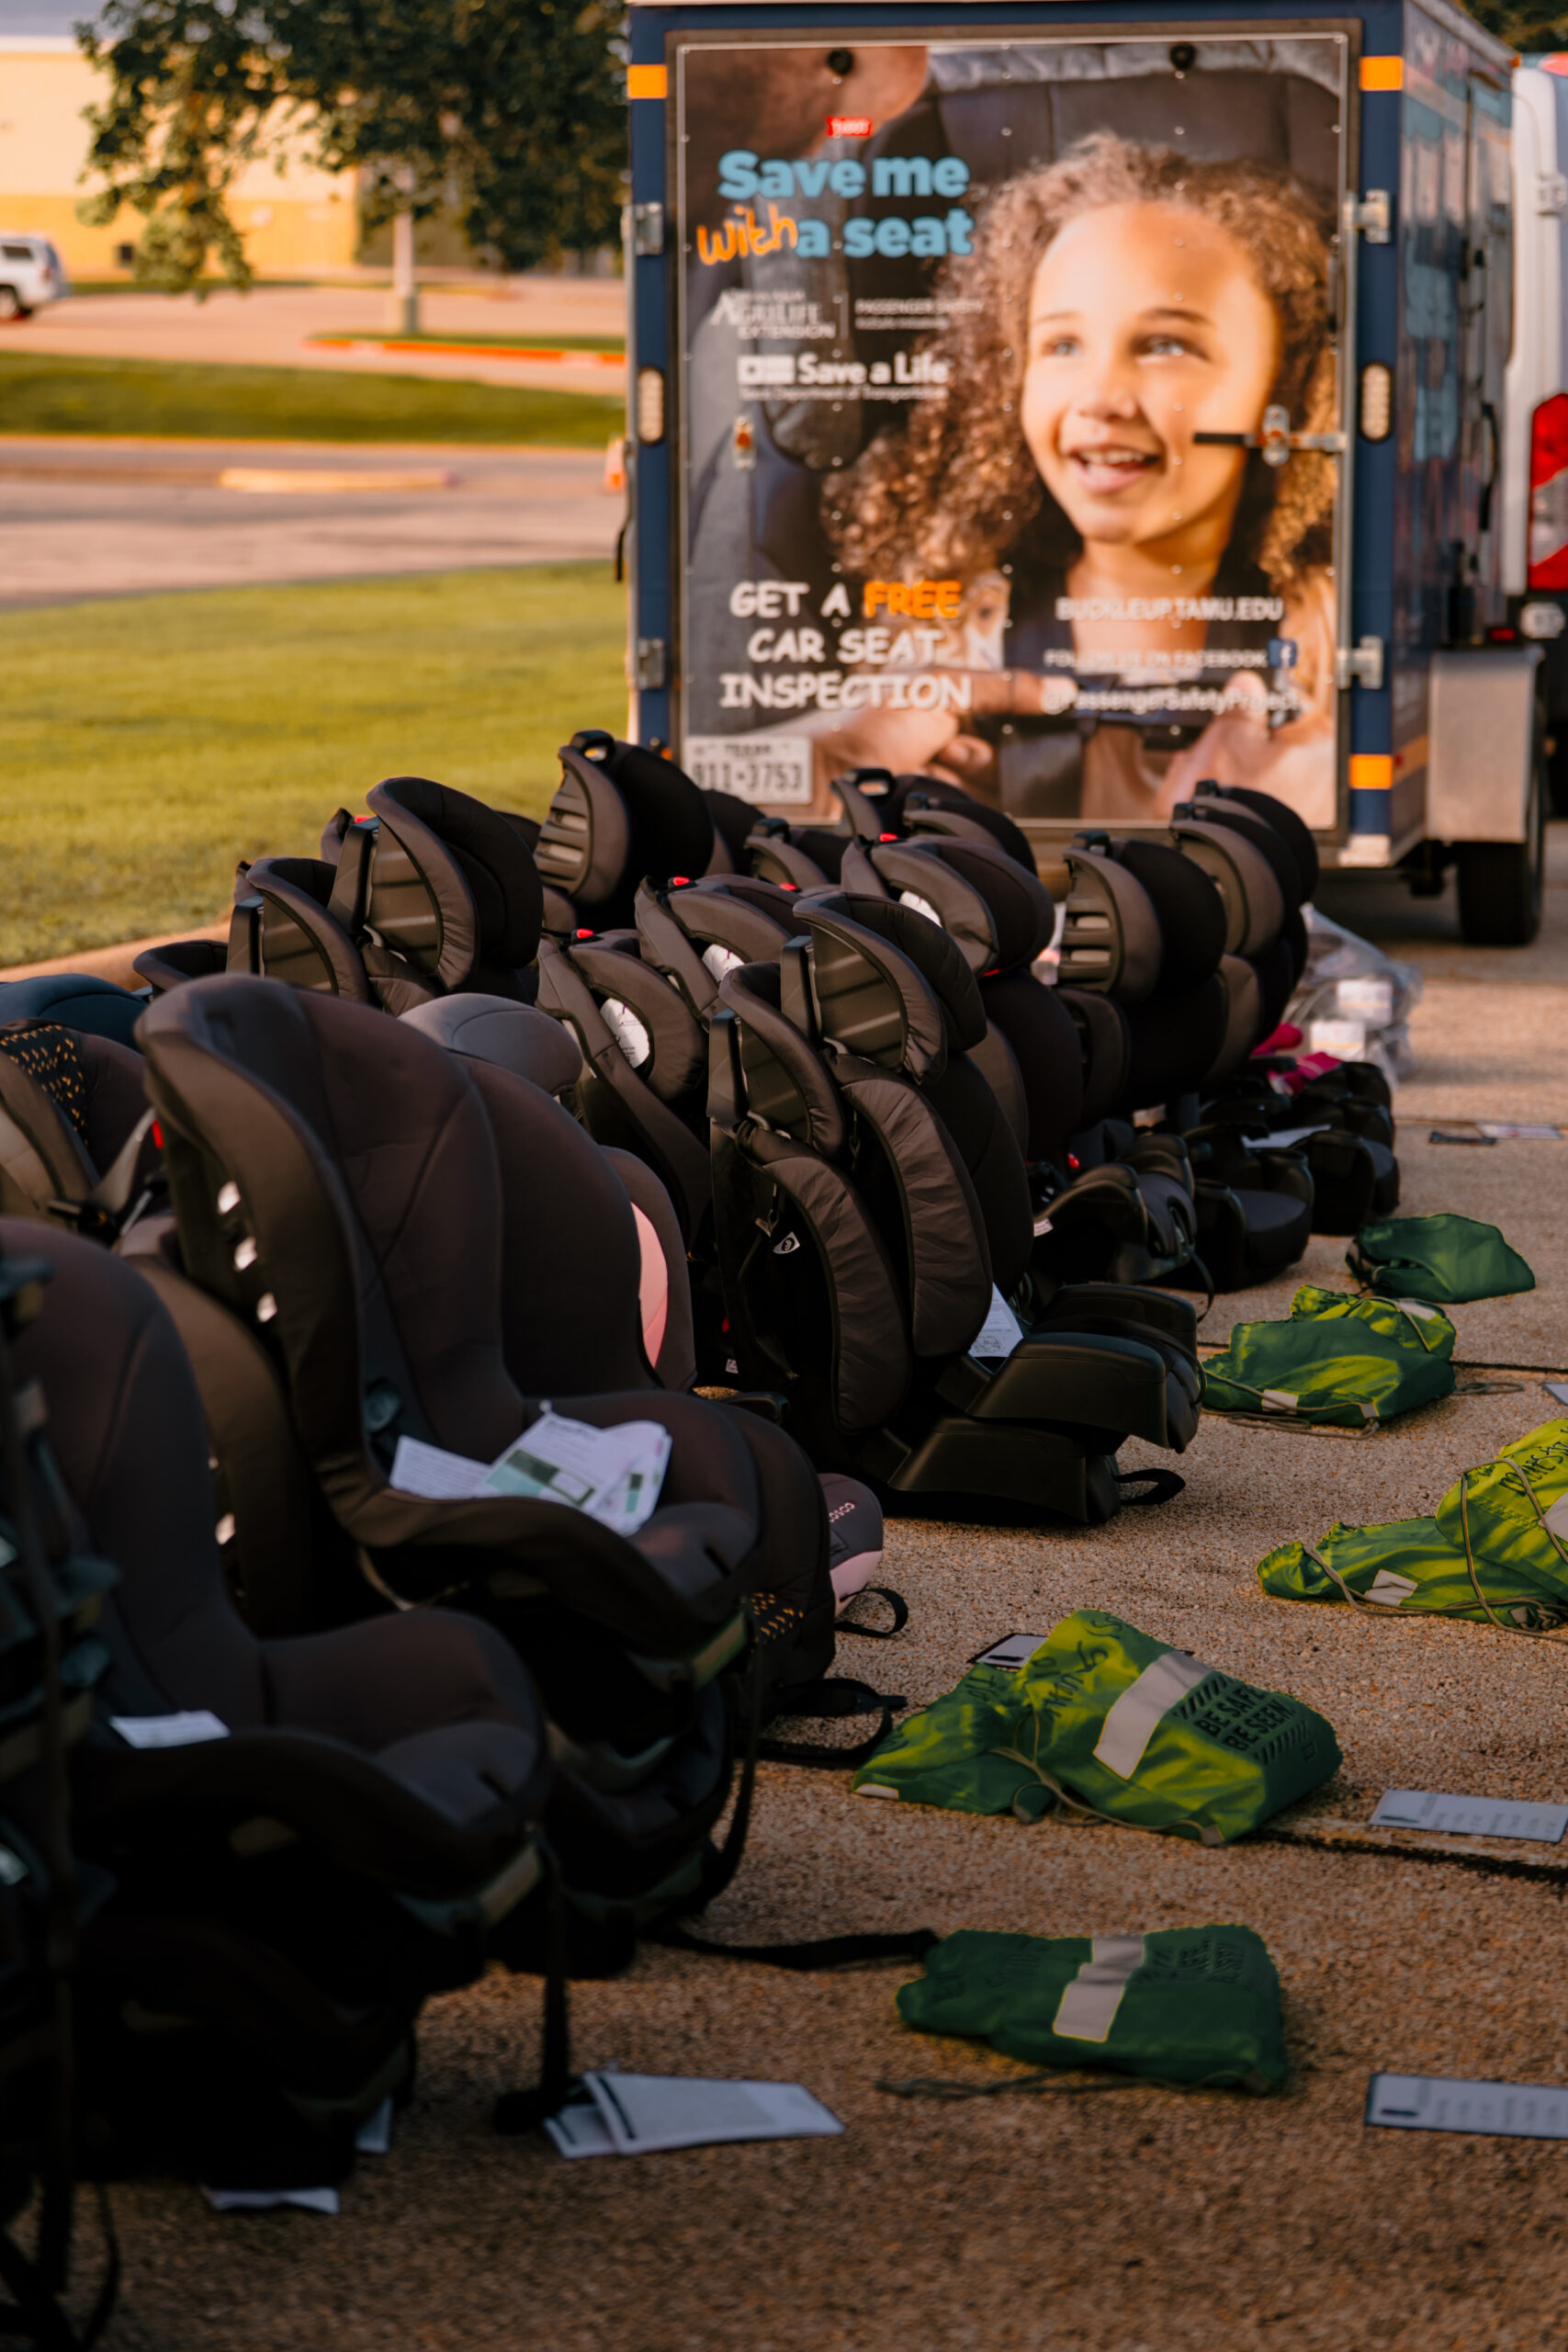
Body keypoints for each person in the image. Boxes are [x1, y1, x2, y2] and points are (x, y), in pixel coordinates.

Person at [814, 132, 1339, 826]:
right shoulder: (953, 635)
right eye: (1061, 345)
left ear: (1281, 390)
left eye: (1164, 345)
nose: (1100, 398)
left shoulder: (1326, 639)